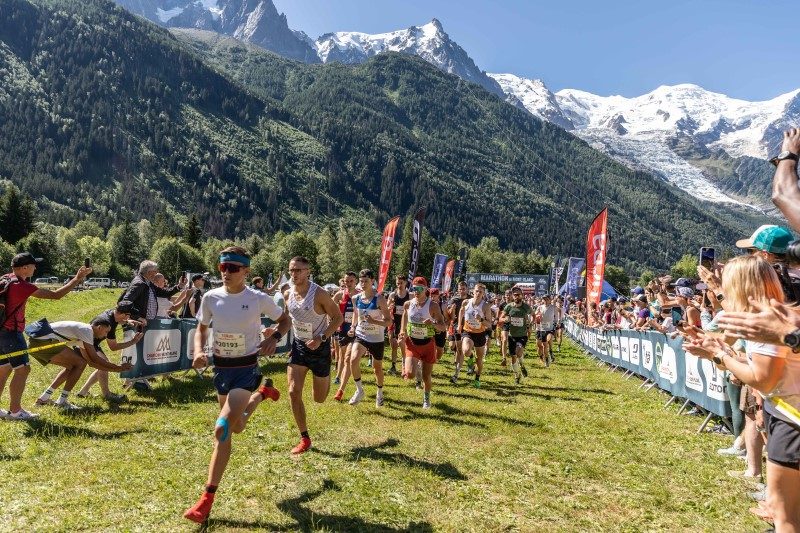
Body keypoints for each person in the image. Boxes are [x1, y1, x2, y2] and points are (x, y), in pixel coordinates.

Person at [684, 255, 800, 531]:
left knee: (784, 516)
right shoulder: (782, 315)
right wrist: (719, 350)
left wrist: (719, 356)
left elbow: (762, 379)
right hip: (786, 414)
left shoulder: (762, 323)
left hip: (790, 419)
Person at [183, 246, 288, 523]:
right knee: (236, 426)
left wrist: (274, 337)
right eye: (222, 268)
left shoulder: (257, 298)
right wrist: (199, 350)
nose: (226, 273)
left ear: (246, 271)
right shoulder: (210, 297)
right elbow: (202, 329)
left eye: (232, 268)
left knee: (222, 428)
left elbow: (285, 319)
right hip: (222, 369)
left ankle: (206, 500)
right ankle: (263, 394)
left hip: (245, 370)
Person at [0, 253, 91, 420]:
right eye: (34, 265)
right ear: (25, 268)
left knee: (4, 369)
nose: (36, 267)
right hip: (12, 333)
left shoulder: (6, 279)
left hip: (1, 332)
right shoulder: (22, 286)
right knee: (23, 370)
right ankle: (15, 411)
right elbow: (56, 295)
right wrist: (77, 279)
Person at [283, 256, 343, 454]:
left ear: (308, 271)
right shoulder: (287, 293)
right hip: (299, 346)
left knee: (319, 399)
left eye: (299, 270)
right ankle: (304, 438)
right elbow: (286, 320)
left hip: (320, 348)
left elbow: (337, 318)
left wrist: (322, 338)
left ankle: (327, 377)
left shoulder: (319, 294)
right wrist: (274, 332)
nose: (294, 274)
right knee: (293, 392)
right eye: (292, 270)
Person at [32, 317, 133, 410]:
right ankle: (62, 401)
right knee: (80, 363)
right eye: (106, 331)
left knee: (72, 366)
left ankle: (44, 398)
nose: (106, 335)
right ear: (99, 327)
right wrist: (118, 367)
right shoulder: (87, 331)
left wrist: (117, 369)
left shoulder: (83, 334)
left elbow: (91, 363)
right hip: (42, 342)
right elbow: (95, 358)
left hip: (35, 342)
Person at [76, 300, 143, 401]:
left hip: (89, 341)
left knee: (102, 366)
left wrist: (127, 321)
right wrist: (133, 342)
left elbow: (119, 319)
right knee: (104, 365)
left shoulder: (112, 313)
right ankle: (107, 394)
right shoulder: (109, 324)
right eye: (129, 315)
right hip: (86, 343)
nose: (130, 317)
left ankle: (83, 392)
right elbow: (113, 347)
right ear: (123, 314)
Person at [398, 277, 446, 408]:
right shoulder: (408, 304)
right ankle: (411, 365)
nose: (416, 291)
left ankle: (426, 399)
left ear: (426, 289)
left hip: (428, 344)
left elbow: (443, 326)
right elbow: (405, 315)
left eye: (419, 289)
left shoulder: (433, 306)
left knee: (426, 376)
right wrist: (402, 331)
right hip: (412, 343)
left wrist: (433, 323)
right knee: (410, 374)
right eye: (414, 288)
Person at [347, 269, 392, 406]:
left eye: (366, 281)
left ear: (372, 281)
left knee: (376, 368)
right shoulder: (356, 298)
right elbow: (356, 314)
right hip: (361, 335)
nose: (363, 283)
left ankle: (379, 392)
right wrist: (353, 327)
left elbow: (389, 321)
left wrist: (374, 322)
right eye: (361, 281)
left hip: (376, 338)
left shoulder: (379, 299)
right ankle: (359, 390)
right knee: (352, 359)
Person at [456, 283, 492, 387]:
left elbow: (489, 324)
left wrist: (481, 320)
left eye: (480, 292)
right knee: (466, 351)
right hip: (468, 332)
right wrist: (459, 325)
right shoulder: (466, 302)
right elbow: (461, 312)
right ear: (473, 291)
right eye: (476, 291)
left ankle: (477, 377)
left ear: (483, 293)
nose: (478, 293)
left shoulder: (485, 306)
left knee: (479, 360)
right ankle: (470, 356)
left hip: (480, 334)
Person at [332, 272, 357, 399]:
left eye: (351, 281)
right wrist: (333, 320)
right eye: (346, 281)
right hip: (342, 329)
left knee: (348, 357)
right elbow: (329, 306)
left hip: (356, 330)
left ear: (355, 281)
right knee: (342, 355)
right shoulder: (340, 294)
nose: (348, 283)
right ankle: (338, 376)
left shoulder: (359, 295)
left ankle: (341, 389)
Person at [500, 287, 532, 384]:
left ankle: (521, 364)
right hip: (512, 335)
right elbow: (500, 318)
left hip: (522, 335)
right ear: (512, 296)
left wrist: (530, 324)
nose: (516, 296)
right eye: (515, 295)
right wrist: (505, 319)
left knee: (518, 353)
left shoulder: (526, 307)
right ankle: (517, 375)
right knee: (513, 356)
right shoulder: (509, 307)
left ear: (522, 295)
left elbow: (533, 315)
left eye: (518, 294)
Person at [387, 275, 410, 376]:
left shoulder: (410, 295)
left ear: (405, 283)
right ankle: (393, 366)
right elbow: (386, 308)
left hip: (404, 323)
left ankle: (404, 366)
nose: (399, 285)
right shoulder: (392, 295)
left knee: (402, 345)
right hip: (393, 322)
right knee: (393, 345)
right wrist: (389, 307)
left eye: (401, 283)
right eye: (397, 283)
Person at [447, 282, 469, 379]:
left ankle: (457, 372)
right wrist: (451, 310)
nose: (462, 291)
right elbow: (449, 313)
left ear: (467, 289)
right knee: (454, 347)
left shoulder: (471, 299)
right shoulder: (454, 299)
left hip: (468, 327)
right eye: (460, 289)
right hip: (456, 326)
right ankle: (464, 361)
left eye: (463, 289)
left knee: (461, 350)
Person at [536, 294, 558, 367]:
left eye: (546, 299)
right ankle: (546, 357)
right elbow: (535, 314)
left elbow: (556, 316)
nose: (545, 301)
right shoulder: (540, 307)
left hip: (550, 328)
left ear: (550, 300)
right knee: (540, 345)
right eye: (544, 299)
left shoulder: (553, 307)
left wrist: (556, 323)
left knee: (547, 342)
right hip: (542, 328)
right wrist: (537, 316)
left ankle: (547, 358)